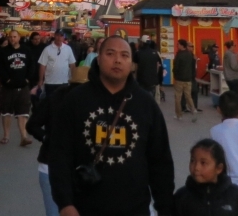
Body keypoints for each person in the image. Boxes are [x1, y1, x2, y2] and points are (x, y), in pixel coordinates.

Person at [48, 35, 174, 216]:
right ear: (98, 59)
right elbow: (60, 154)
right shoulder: (76, 100)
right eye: (110, 53)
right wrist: (65, 203)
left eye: (125, 55)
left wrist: (165, 207)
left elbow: (160, 161)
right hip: (83, 207)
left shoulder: (145, 104)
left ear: (132, 63)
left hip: (134, 208)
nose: (117, 60)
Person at [27, 62, 90, 216]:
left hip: (64, 169)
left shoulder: (57, 97)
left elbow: (32, 125)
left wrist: (46, 138)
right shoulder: (59, 98)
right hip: (58, 167)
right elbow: (32, 125)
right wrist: (49, 138)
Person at [174, 139, 238, 216]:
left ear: (219, 168)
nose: (196, 167)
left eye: (203, 163)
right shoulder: (182, 196)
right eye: (193, 161)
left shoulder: (237, 195)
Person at [0, 29, 33, 146]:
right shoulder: (3, 52)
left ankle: (23, 137)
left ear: (19, 38)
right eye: (10, 37)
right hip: (8, 87)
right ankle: (6, 136)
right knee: (6, 113)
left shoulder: (26, 50)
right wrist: (7, 80)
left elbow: (32, 65)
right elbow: (0, 68)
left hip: (23, 86)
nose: (12, 39)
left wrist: (27, 79)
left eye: (14, 37)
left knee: (23, 113)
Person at [37, 30, 77, 95]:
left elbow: (72, 65)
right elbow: (42, 65)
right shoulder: (47, 49)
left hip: (64, 82)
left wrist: (74, 78)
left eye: (61, 36)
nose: (59, 38)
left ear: (63, 37)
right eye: (57, 35)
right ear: (54, 36)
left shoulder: (68, 49)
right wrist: (41, 80)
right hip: (50, 82)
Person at [173, 38, 200, 121]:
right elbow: (193, 67)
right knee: (188, 96)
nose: (177, 46)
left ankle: (179, 115)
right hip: (188, 79)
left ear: (181, 45)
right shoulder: (190, 54)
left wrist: (175, 75)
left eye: (178, 44)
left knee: (178, 97)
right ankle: (193, 109)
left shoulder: (179, 55)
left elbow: (176, 67)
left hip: (180, 79)